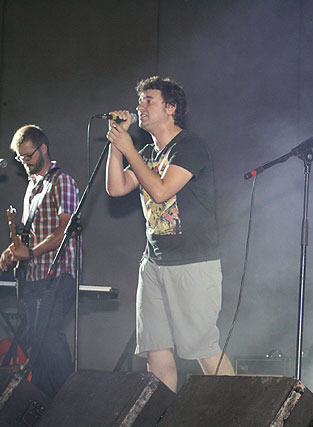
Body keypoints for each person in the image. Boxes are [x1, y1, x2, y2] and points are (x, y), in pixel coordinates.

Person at [105, 76, 234, 392]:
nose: (140, 107)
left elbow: (161, 191)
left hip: (192, 262)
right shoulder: (147, 152)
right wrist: (117, 146)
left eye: (149, 100)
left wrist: (129, 150)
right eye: (140, 100)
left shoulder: (189, 146)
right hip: (153, 263)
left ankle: (239, 409)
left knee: (202, 348)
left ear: (171, 107)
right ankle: (160, 412)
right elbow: (116, 187)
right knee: (156, 349)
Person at [0, 124, 79, 397]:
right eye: (20, 158)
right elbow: (32, 234)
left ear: (43, 149)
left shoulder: (61, 181)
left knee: (49, 337)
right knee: (37, 343)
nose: (24, 162)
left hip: (57, 275)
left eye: (28, 155)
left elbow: (65, 230)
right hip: (34, 277)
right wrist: (14, 250)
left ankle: (69, 399)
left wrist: (32, 253)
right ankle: (44, 402)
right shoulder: (33, 186)